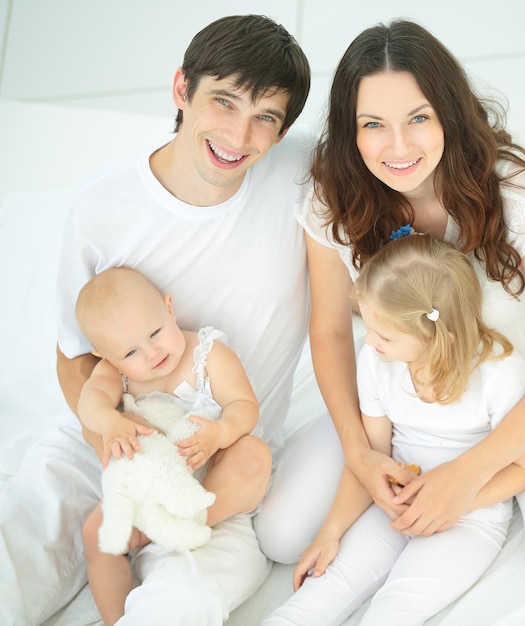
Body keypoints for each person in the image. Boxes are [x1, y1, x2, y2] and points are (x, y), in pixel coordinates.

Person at [256, 19, 525, 593]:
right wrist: (360, 452)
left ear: (448, 115)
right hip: (402, 402)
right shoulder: (335, 197)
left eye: (418, 119)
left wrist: (468, 476)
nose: (398, 147)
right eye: (372, 124)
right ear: (349, 132)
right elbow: (329, 331)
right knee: (281, 535)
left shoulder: (517, 194)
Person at [0, 14, 312, 626]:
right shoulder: (101, 207)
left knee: (181, 606)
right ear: (181, 90)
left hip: (221, 472)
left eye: (265, 118)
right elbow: (73, 354)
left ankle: (149, 540)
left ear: (281, 132)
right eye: (222, 101)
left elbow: (396, 146)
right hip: (113, 438)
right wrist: (115, 445)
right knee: (14, 552)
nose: (238, 134)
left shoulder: (300, 177)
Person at [266, 234, 525, 625]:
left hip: (469, 514)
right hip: (393, 502)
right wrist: (330, 531)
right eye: (370, 327)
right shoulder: (377, 362)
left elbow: (523, 469)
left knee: (395, 610)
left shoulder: (500, 375)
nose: (370, 341)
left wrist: (454, 502)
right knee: (324, 588)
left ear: (437, 338)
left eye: (385, 335)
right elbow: (370, 460)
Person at [75, 267, 264, 625]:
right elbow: (90, 402)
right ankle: (116, 618)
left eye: (155, 332)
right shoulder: (118, 375)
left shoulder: (208, 354)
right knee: (95, 533)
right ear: (105, 356)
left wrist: (222, 433)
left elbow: (245, 406)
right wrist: (110, 422)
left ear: (169, 308)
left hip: (210, 474)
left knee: (254, 454)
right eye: (130, 351)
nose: (151, 353)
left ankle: (188, 518)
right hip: (151, 485)